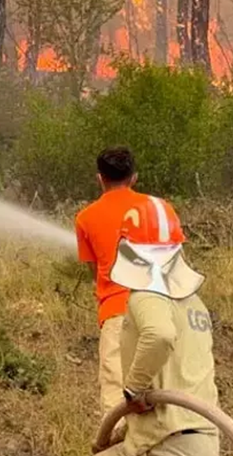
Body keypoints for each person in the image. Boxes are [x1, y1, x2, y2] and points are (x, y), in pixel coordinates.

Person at [94, 194, 219, 456]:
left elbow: (160, 335)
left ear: (130, 250)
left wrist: (133, 390)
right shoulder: (194, 302)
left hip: (168, 440)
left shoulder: (147, 294)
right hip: (200, 438)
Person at [75, 147, 148, 433]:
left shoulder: (86, 218)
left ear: (99, 179)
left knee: (116, 397)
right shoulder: (158, 208)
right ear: (134, 178)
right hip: (162, 310)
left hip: (116, 312)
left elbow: (95, 272)